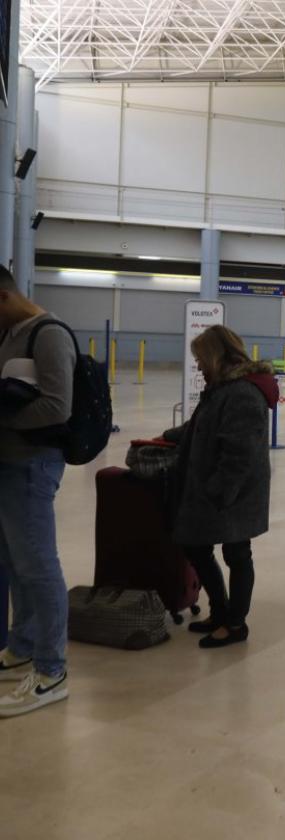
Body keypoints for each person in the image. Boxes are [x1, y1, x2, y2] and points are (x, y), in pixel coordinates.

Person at [165, 325, 278, 649]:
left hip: (235, 492)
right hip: (216, 489)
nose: (198, 365)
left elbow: (239, 453)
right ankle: (220, 611)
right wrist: (170, 435)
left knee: (237, 553)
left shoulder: (241, 392)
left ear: (215, 355)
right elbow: (202, 425)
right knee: (197, 546)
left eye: (200, 358)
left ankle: (235, 624)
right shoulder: (222, 387)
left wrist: (219, 491)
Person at [0, 269, 75, 717]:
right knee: (14, 561)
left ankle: (52, 671)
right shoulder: (10, 334)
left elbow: (56, 407)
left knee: (38, 565)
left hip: (32, 465)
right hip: (8, 464)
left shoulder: (48, 334)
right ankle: (24, 645)